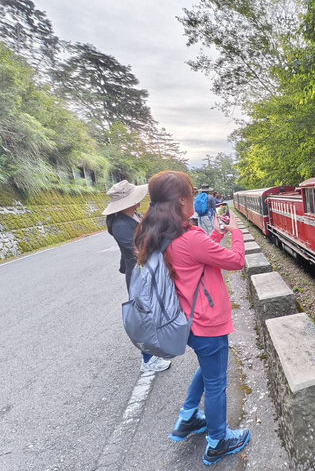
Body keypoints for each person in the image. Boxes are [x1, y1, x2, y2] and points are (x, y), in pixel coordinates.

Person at [133, 171, 250, 466]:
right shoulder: (188, 238)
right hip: (208, 322)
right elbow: (236, 261)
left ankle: (187, 417)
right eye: (191, 194)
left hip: (189, 321)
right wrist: (235, 231)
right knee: (216, 382)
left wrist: (217, 234)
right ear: (182, 200)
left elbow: (195, 259)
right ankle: (218, 441)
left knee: (209, 369)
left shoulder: (163, 234)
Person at [103, 180, 172, 373]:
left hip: (144, 272)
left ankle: (154, 354)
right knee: (144, 317)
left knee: (151, 314)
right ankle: (148, 360)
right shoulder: (120, 225)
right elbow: (137, 250)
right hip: (139, 276)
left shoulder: (132, 216)